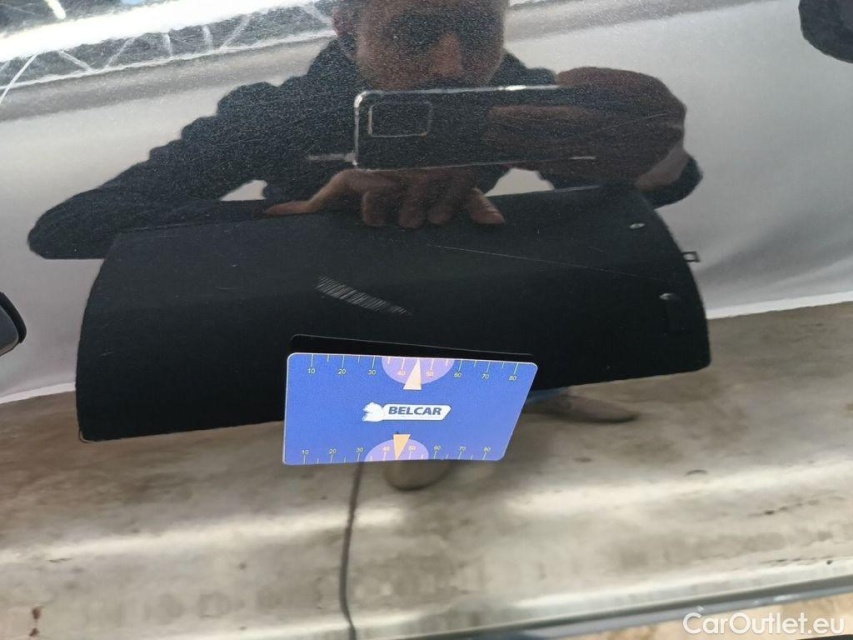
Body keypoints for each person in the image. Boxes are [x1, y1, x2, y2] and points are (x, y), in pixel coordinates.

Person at [29, 0, 702, 490]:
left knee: (521, 297)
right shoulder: (277, 112)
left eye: (476, 30)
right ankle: (425, 423)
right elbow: (69, 226)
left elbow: (642, 194)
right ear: (347, 28)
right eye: (413, 33)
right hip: (341, 289)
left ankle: (542, 390)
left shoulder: (514, 89)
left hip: (480, 274)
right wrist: (294, 217)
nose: (449, 65)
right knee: (408, 444)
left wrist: (654, 154)